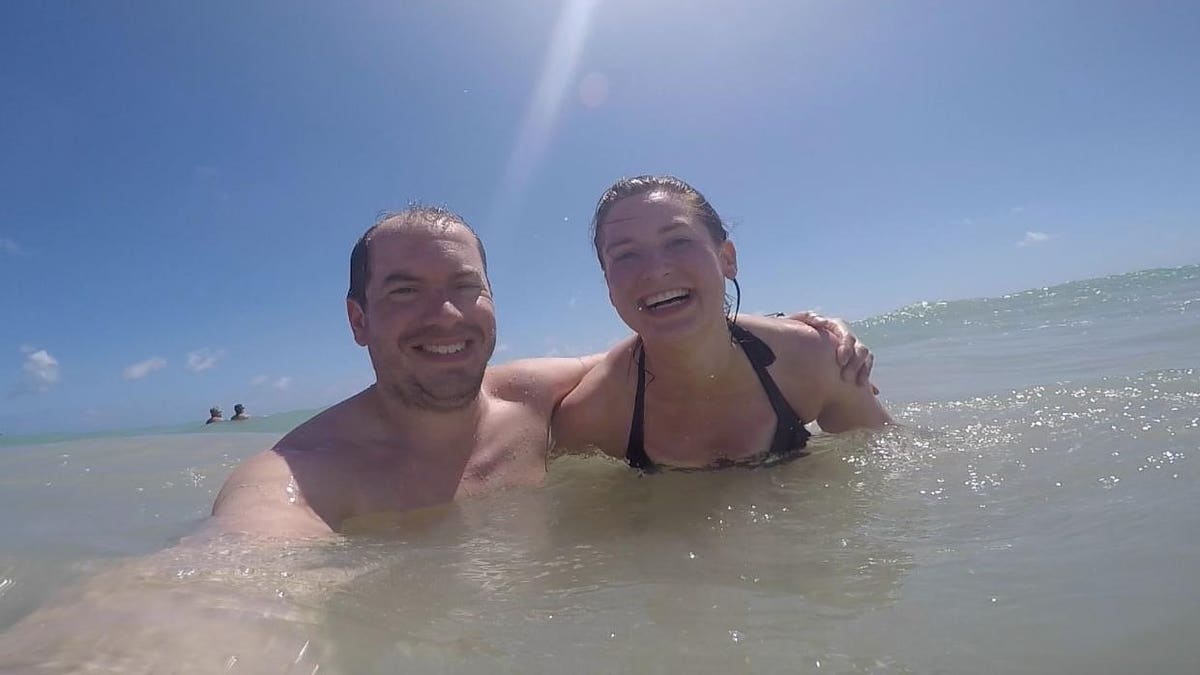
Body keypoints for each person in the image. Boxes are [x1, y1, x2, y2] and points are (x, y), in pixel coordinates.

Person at [210, 206, 875, 536]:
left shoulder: (537, 400)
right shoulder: (301, 476)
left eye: (465, 285)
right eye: (404, 291)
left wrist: (795, 328)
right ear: (358, 320)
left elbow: (669, 343)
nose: (445, 314)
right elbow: (233, 585)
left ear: (493, 301)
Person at [552, 175, 890, 470]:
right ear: (610, 289)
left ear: (726, 259)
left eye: (678, 240)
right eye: (626, 255)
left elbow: (885, 470)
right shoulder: (593, 415)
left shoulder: (814, 358)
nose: (656, 270)